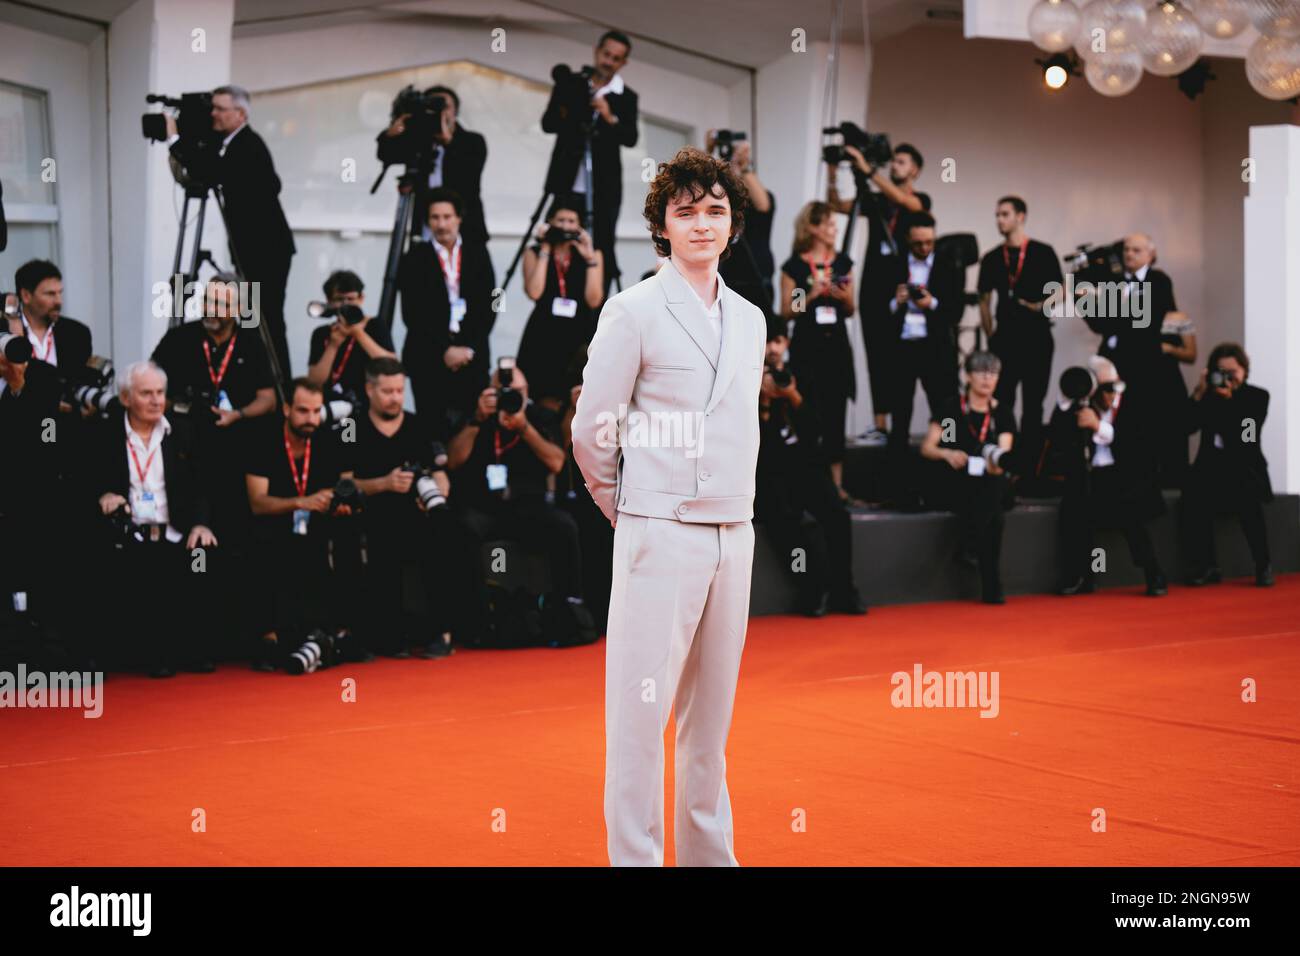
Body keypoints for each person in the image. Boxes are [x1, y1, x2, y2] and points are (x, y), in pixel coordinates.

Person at [572, 146, 764, 866]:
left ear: (733, 223)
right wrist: (631, 512)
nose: (702, 224)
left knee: (709, 723)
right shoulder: (632, 310)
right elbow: (594, 430)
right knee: (639, 717)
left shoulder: (750, 319)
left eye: (715, 211)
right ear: (662, 226)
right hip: (658, 531)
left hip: (732, 533)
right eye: (686, 212)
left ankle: (711, 859)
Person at [342, 358, 482, 657]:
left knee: (446, 531)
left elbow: (441, 474)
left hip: (415, 513)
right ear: (369, 389)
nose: (395, 398)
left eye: (400, 391)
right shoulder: (351, 428)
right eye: (387, 391)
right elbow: (343, 485)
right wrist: (384, 483)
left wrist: (438, 488)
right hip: (371, 514)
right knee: (367, 539)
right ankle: (379, 634)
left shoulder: (419, 425)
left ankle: (444, 630)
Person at [91, 361, 219, 676]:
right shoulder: (103, 433)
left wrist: (201, 523)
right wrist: (103, 495)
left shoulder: (182, 432)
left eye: (160, 393)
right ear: (125, 398)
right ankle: (139, 654)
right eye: (146, 393)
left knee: (201, 556)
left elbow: (203, 485)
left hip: (175, 532)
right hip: (128, 535)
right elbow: (85, 480)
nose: (155, 400)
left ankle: (194, 650)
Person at [447, 364, 592, 640]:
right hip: (483, 507)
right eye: (504, 392)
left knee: (564, 526)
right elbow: (454, 461)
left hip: (528, 506)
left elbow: (556, 462)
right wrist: (477, 420)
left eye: (518, 392)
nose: (511, 398)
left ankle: (570, 608)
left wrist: (525, 428)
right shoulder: (477, 414)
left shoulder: (538, 417)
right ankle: (476, 619)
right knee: (459, 527)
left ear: (527, 392)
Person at [166, 86, 296, 380]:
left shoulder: (247, 145)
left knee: (262, 317)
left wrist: (174, 137)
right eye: (212, 108)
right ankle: (266, 381)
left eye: (220, 109)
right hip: (257, 248)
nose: (213, 115)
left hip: (265, 250)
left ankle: (277, 387)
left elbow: (207, 171)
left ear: (240, 114)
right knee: (256, 316)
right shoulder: (232, 143)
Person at [151, 274, 277, 550]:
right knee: (189, 534)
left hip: (234, 451)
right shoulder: (179, 338)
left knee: (231, 533)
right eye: (207, 300)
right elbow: (150, 381)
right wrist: (170, 404)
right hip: (184, 448)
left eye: (220, 303)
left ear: (238, 310)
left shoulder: (252, 344)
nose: (210, 309)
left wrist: (240, 414)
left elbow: (268, 399)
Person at [245, 378, 361, 672]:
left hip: (317, 524)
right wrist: (301, 502)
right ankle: (267, 637)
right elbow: (257, 503)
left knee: (347, 534)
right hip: (273, 523)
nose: (310, 419)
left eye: (316, 411)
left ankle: (339, 630)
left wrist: (341, 502)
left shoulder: (329, 439)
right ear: (286, 409)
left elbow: (346, 483)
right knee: (264, 540)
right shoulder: (262, 439)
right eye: (303, 411)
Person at [755, 321, 866, 616]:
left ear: (787, 344)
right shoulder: (743, 378)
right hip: (767, 473)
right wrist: (763, 402)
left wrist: (793, 396)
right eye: (767, 342)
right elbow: (753, 445)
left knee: (838, 515)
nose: (773, 349)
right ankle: (814, 588)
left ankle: (845, 590)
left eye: (778, 341)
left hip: (805, 464)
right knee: (785, 521)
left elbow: (817, 430)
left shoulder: (802, 375)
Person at [828, 141, 931, 444]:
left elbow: (905, 201)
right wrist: (834, 167)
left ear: (915, 169)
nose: (895, 165)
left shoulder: (919, 199)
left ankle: (898, 426)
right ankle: (880, 425)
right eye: (894, 161)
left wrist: (868, 170)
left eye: (902, 162)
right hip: (874, 282)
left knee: (897, 356)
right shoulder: (876, 199)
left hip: (904, 284)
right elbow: (837, 204)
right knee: (875, 354)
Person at [1048, 357, 1167, 597]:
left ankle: (1153, 572)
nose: (1111, 394)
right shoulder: (1080, 405)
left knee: (1131, 512)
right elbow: (1057, 437)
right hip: (1090, 476)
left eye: (1115, 386)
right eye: (1104, 388)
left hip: (1128, 476)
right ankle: (1083, 575)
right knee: (1073, 511)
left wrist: (1099, 428)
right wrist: (1065, 401)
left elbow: (1142, 446)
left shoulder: (1135, 403)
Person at [542, 29, 638, 297]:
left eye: (616, 58)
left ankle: (596, 311)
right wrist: (574, 104)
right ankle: (555, 297)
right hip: (566, 178)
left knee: (601, 244)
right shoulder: (572, 83)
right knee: (557, 237)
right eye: (606, 54)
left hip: (603, 187)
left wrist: (610, 116)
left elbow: (630, 138)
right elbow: (548, 123)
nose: (609, 61)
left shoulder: (626, 96)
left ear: (623, 63)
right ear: (597, 52)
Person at [397, 187, 497, 436]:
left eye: (447, 217)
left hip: (471, 355)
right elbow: (412, 314)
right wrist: (445, 349)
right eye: (435, 218)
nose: (441, 224)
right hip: (429, 357)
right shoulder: (415, 257)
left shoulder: (478, 253)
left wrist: (468, 348)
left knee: (473, 424)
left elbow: (490, 306)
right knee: (432, 429)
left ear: (459, 218)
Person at [919, 351, 1015, 604]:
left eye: (993, 373)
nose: (987, 378)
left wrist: (995, 465)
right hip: (956, 479)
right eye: (981, 372)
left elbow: (1005, 453)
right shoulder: (952, 408)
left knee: (992, 495)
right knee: (993, 509)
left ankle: (972, 550)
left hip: (989, 480)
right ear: (968, 376)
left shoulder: (1001, 413)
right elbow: (928, 447)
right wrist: (947, 453)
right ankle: (990, 580)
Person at [779, 200, 857, 502]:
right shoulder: (795, 266)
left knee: (836, 413)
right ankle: (807, 483)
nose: (833, 230)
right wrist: (811, 294)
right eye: (828, 224)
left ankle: (836, 486)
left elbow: (852, 309)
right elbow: (786, 310)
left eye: (835, 225)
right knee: (806, 412)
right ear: (812, 227)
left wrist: (843, 296)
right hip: (807, 346)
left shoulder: (843, 263)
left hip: (835, 343)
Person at [882, 212, 962, 502]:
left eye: (929, 242)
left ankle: (946, 485)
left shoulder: (948, 262)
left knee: (945, 413)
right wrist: (896, 301)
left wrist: (933, 303)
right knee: (900, 415)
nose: (925, 248)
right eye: (918, 244)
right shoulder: (893, 262)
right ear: (908, 240)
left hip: (935, 349)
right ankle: (898, 489)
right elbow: (878, 310)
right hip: (902, 348)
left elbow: (956, 311)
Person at [977, 197, 1062, 465]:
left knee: (1033, 405)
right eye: (997, 215)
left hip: (1037, 337)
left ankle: (1030, 467)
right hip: (1005, 339)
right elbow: (984, 301)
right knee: (1003, 402)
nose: (999, 220)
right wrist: (990, 335)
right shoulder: (991, 257)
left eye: (1005, 214)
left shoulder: (1042, 252)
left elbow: (1060, 291)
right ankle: (1006, 463)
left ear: (1021, 216)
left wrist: (1039, 306)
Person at [1179, 343, 1273, 588]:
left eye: (1233, 372)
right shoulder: (1208, 396)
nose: (1228, 378)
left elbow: (1247, 438)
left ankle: (1263, 564)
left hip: (1244, 468)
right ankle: (1207, 566)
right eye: (1222, 372)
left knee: (1248, 499)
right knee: (1193, 497)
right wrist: (1198, 394)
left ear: (1244, 371)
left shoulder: (1257, 397)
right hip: (1211, 470)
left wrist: (1230, 402)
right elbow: (1186, 427)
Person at [377, 84, 490, 245]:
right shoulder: (420, 142)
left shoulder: (472, 141)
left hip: (467, 232)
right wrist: (392, 132)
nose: (440, 113)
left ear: (456, 112)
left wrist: (449, 142)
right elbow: (386, 155)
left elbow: (470, 172)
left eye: (446, 107)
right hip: (426, 230)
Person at [517, 201, 604, 407]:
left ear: (580, 226)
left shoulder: (592, 254)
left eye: (571, 221)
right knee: (543, 398)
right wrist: (546, 248)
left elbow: (594, 300)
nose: (565, 226)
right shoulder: (534, 252)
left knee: (576, 398)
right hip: (543, 332)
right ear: (549, 223)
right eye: (560, 221)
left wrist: (590, 258)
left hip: (578, 331)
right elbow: (534, 292)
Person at [1083, 232, 1176, 422]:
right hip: (1115, 362)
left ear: (1150, 255)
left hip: (1146, 362)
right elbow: (1101, 324)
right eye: (1126, 250)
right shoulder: (1113, 280)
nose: (1129, 254)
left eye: (1136, 250)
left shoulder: (1158, 281)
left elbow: (1150, 320)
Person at [305, 270, 397, 406]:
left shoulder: (375, 325)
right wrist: (333, 345)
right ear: (329, 301)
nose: (345, 304)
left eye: (351, 299)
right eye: (339, 299)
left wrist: (358, 333)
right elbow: (314, 382)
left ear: (361, 299)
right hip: (331, 404)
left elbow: (391, 366)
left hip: (368, 404)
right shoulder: (322, 333)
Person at [711, 131, 776, 315]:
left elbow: (763, 205)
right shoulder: (723, 200)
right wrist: (709, 153)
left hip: (757, 278)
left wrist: (744, 165)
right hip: (728, 277)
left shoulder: (762, 198)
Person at [1154, 310, 1196, 487]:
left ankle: (1175, 482)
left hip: (1170, 382)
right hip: (1142, 380)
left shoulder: (1179, 318)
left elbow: (1191, 354)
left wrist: (1169, 348)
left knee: (1175, 432)